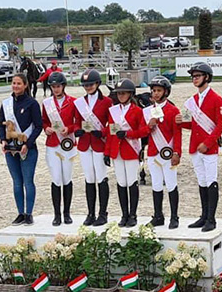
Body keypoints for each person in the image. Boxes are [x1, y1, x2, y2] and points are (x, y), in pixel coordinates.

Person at [175, 62, 222, 232]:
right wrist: (181, 123)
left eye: (197, 76)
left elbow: (220, 125)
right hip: (195, 147)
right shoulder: (193, 100)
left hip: (208, 148)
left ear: (207, 77)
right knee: (202, 182)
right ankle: (204, 216)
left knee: (211, 181)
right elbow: (193, 125)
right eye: (193, 77)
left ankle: (211, 218)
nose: (194, 79)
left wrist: (208, 143)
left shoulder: (216, 99)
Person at [0, 74, 43, 225]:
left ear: (25, 85)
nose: (16, 86)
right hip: (11, 149)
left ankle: (29, 213)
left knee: (28, 181)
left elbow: (38, 126)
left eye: (19, 83)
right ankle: (20, 213)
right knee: (17, 182)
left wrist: (28, 144)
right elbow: (0, 124)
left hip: (27, 148)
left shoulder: (32, 103)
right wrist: (3, 140)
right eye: (14, 83)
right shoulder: (6, 104)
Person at [105, 79, 148, 227]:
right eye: (119, 94)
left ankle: (133, 215)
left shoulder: (137, 111)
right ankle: (124, 214)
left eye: (124, 93)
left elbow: (144, 131)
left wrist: (128, 134)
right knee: (121, 183)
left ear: (130, 94)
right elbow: (110, 132)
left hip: (131, 150)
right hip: (116, 151)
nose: (121, 96)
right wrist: (107, 152)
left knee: (131, 182)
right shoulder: (113, 111)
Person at [73, 68, 112, 226]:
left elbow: (112, 124)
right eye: (85, 85)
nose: (88, 87)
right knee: (89, 178)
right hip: (84, 144)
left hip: (99, 143)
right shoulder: (80, 103)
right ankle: (90, 213)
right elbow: (76, 122)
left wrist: (102, 132)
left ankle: (103, 213)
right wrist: (77, 130)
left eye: (90, 84)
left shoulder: (107, 102)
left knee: (101, 177)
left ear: (97, 84)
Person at [144, 76, 182, 229]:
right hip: (153, 152)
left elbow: (177, 133)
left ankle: (174, 216)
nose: (156, 93)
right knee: (156, 184)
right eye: (153, 90)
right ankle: (158, 215)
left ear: (166, 92)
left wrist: (177, 152)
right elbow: (143, 133)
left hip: (168, 152)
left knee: (171, 184)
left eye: (159, 90)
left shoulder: (173, 110)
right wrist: (149, 126)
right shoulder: (147, 111)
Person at [42, 72, 79, 226]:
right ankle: (57, 214)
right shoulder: (47, 103)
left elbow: (78, 123)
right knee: (56, 178)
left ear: (63, 86)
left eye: (58, 86)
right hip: (53, 143)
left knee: (67, 178)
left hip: (67, 143)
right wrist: (46, 128)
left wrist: (69, 129)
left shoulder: (73, 102)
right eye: (53, 87)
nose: (56, 89)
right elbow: (44, 121)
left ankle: (67, 212)